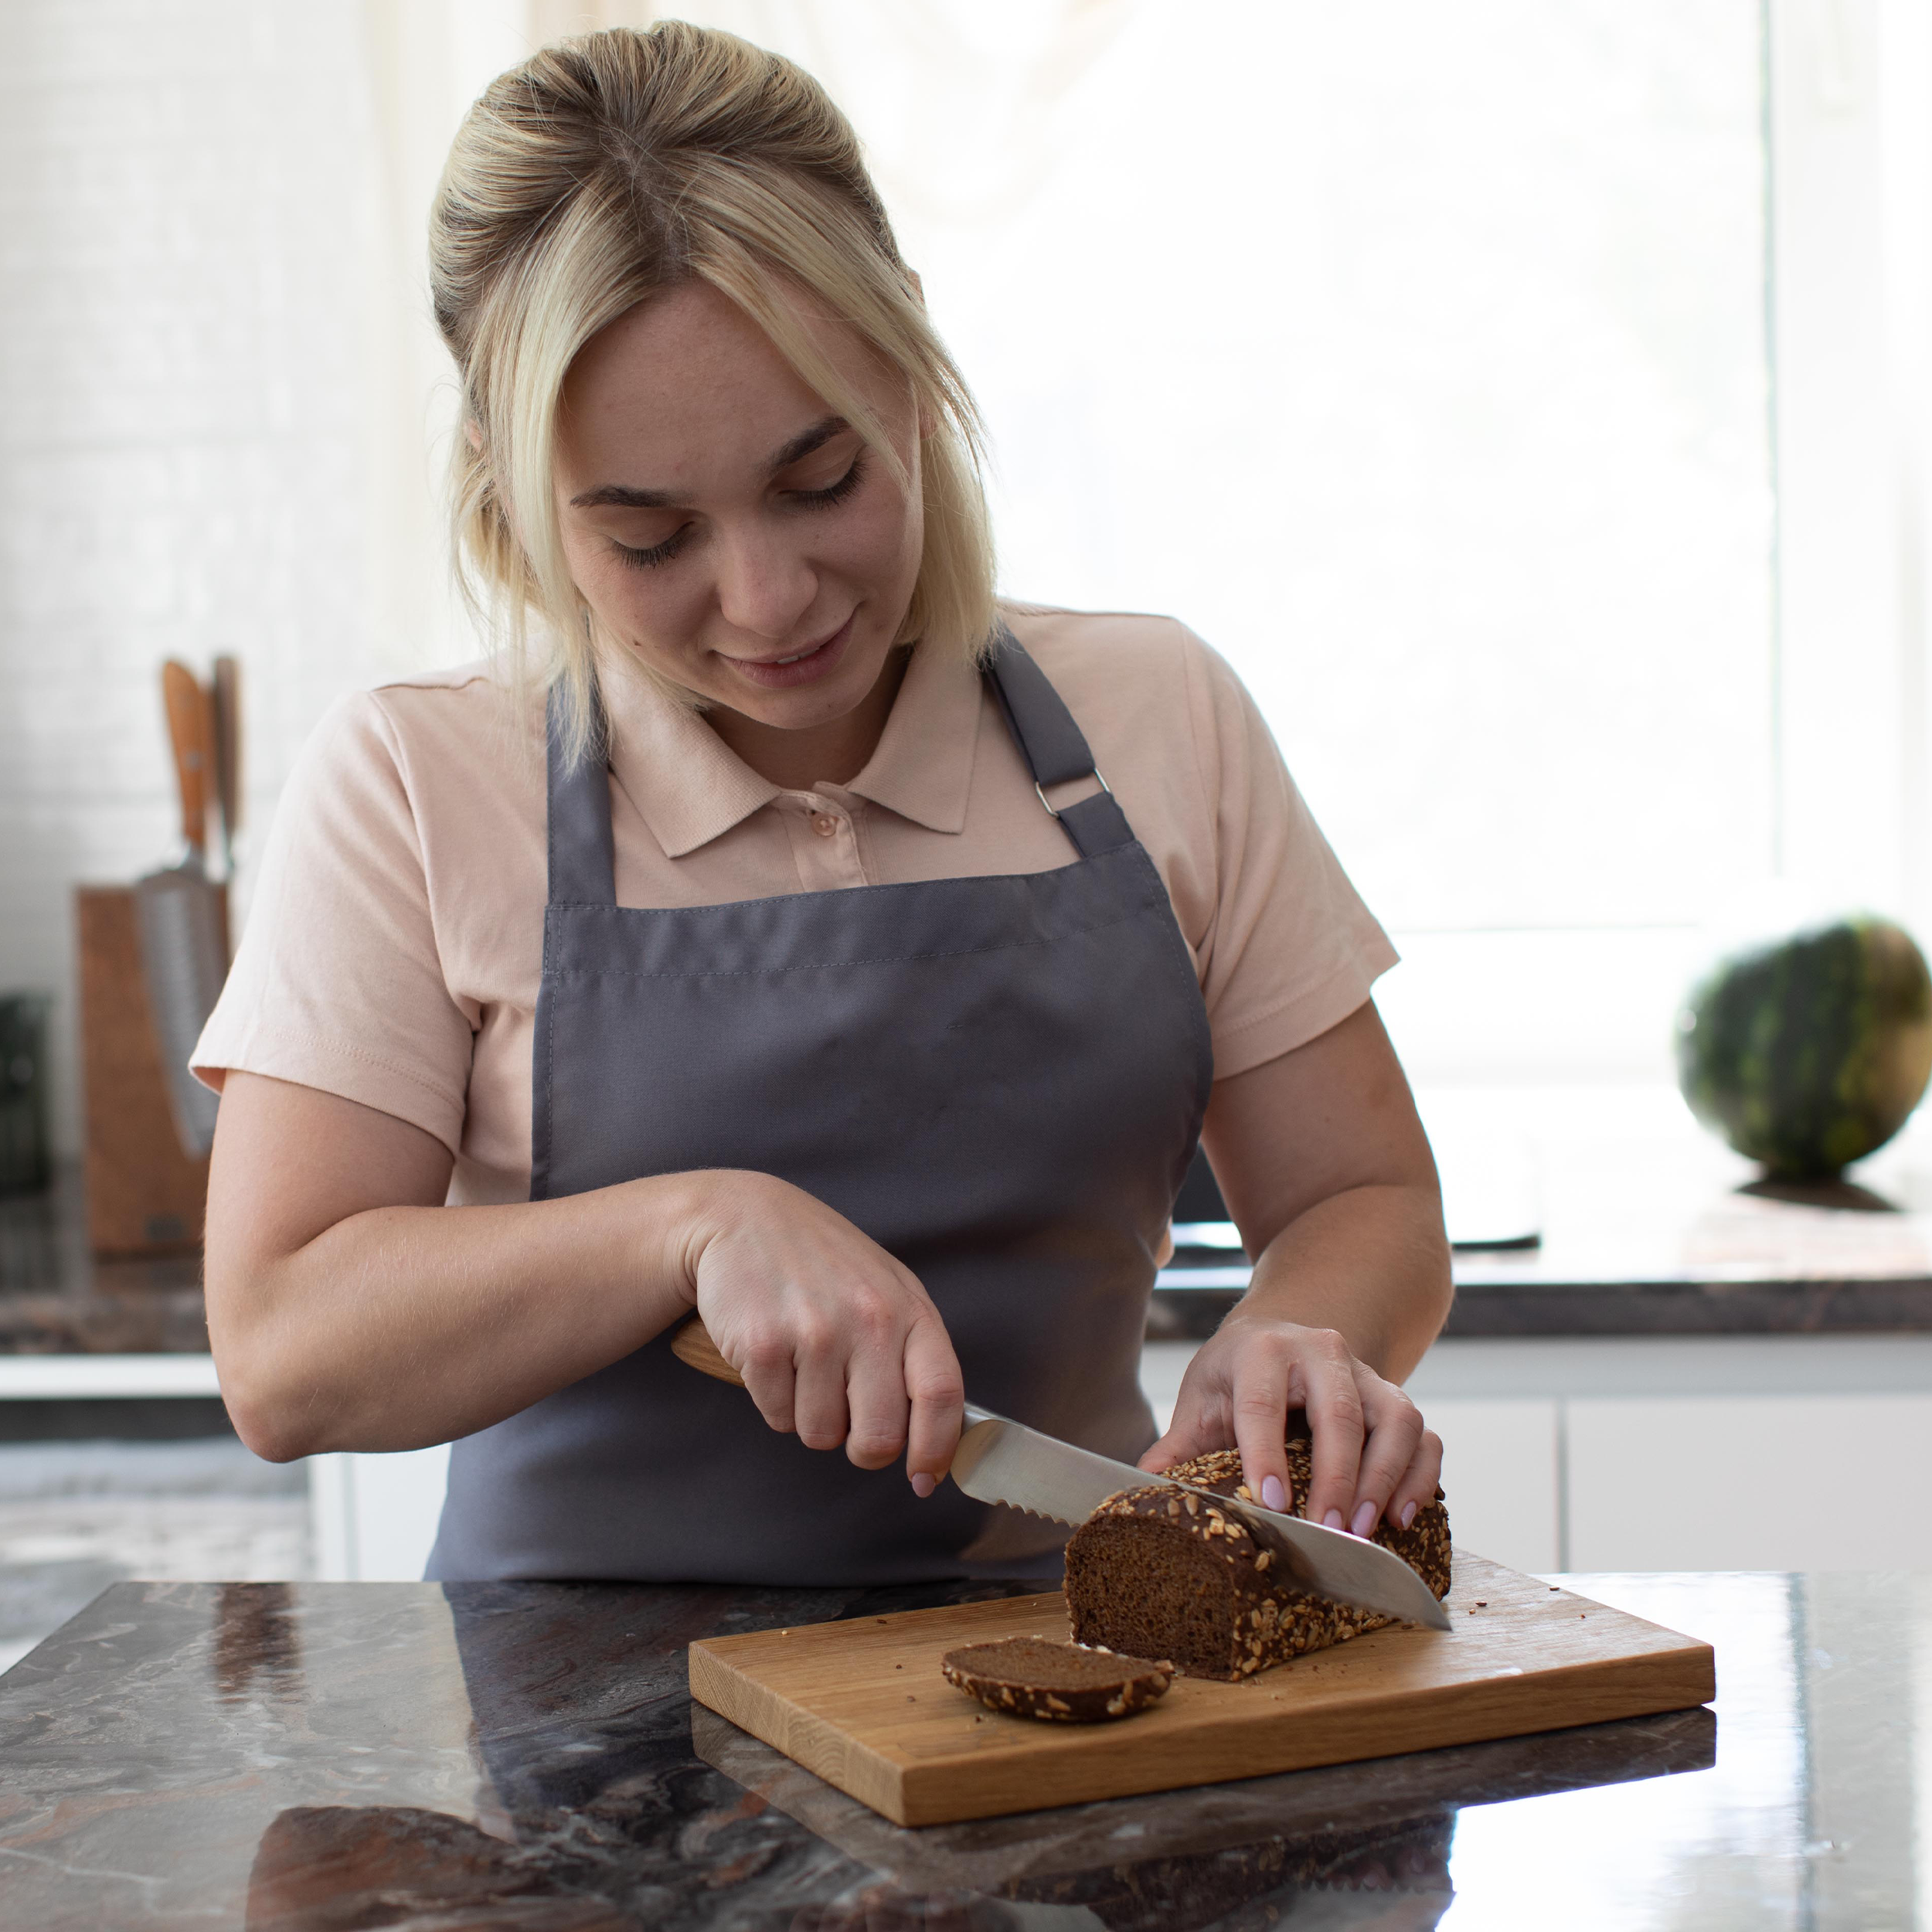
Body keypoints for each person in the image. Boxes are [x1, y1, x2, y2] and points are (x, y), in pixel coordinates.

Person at [196, 21, 1452, 1584]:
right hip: (573, 1755)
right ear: (513, 493)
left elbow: (1361, 1190)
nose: (768, 597)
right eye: (651, 540)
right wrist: (689, 1227)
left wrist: (1295, 1335)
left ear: (908, 357)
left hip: (1089, 1671)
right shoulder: (413, 777)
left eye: (820, 478)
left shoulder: (1158, 710)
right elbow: (282, 1347)